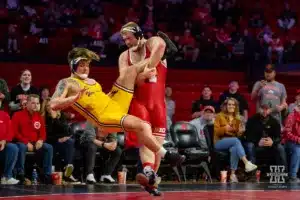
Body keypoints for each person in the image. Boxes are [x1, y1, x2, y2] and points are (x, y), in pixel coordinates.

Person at [49, 47, 185, 184]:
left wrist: (112, 94)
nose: (85, 69)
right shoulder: (67, 82)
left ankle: (159, 58)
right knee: (143, 126)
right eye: (81, 66)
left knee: (130, 72)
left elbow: (100, 99)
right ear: (73, 66)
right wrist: (71, 99)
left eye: (87, 65)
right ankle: (167, 155)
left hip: (113, 104)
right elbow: (53, 104)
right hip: (104, 117)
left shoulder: (92, 82)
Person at [119, 22, 177, 195]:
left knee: (156, 149)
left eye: (128, 38)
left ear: (138, 34)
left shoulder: (153, 43)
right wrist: (141, 76)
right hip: (138, 102)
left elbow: (160, 45)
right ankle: (148, 172)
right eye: (124, 39)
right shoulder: (124, 56)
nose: (126, 42)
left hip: (158, 104)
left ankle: (151, 180)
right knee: (147, 140)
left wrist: (147, 67)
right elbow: (123, 80)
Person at [214, 97, 257, 183]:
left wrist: (240, 132)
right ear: (226, 106)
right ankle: (246, 163)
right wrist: (225, 128)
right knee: (236, 141)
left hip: (232, 142)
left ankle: (233, 175)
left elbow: (237, 134)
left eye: (233, 105)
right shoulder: (219, 116)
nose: (231, 106)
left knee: (234, 148)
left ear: (235, 106)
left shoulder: (237, 119)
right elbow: (217, 132)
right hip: (219, 142)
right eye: (229, 104)